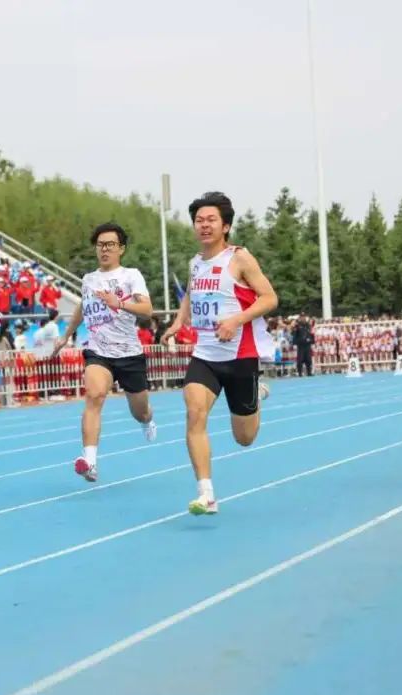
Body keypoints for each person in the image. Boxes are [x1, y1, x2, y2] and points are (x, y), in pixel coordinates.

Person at [161, 192, 277, 515]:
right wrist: (178, 321)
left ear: (225, 226)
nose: (204, 225)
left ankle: (255, 393)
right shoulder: (195, 263)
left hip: (240, 357)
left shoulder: (240, 259)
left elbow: (269, 298)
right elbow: (191, 295)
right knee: (194, 412)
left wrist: (236, 320)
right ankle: (206, 494)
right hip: (205, 356)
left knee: (245, 437)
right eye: (199, 220)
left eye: (211, 220)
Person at [53, 222, 157, 482]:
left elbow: (147, 310)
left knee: (140, 411)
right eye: (100, 245)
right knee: (94, 395)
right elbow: (82, 308)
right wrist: (66, 336)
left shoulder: (131, 275)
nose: (104, 249)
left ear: (121, 248)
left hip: (129, 354)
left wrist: (118, 302)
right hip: (98, 352)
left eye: (110, 244)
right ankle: (89, 461)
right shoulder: (89, 279)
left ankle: (147, 421)